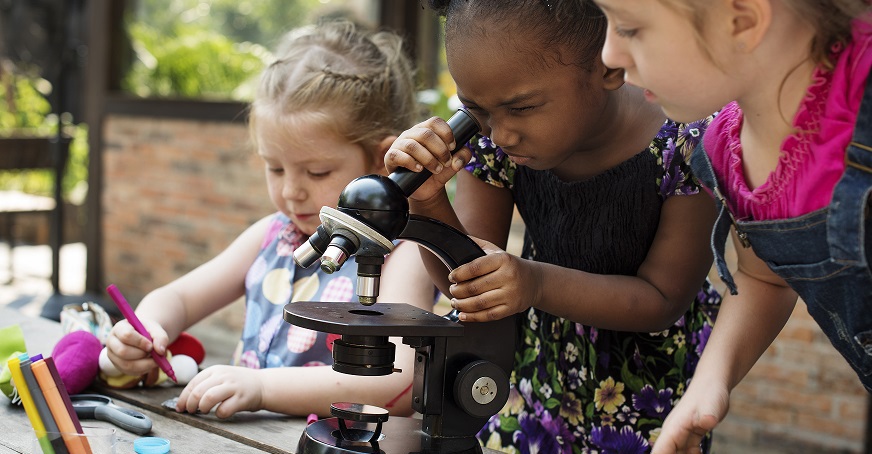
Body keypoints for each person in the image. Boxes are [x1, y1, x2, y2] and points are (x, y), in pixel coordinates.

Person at [384, 1, 722, 452]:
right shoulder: (491, 136)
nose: (501, 133)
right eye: (475, 108)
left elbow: (663, 298)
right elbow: (464, 280)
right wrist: (427, 205)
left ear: (609, 64)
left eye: (521, 108)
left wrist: (534, 282)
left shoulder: (688, 143)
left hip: (649, 394)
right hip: (531, 374)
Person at [104, 20, 436, 419]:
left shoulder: (402, 254)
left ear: (382, 163)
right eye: (275, 169)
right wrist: (147, 329)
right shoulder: (272, 234)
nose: (292, 191)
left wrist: (261, 387)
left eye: (316, 173)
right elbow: (179, 297)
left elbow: (396, 380)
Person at [592, 0, 872, 451]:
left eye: (629, 28)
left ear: (742, 21)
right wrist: (709, 381)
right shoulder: (725, 152)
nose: (609, 54)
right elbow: (766, 278)